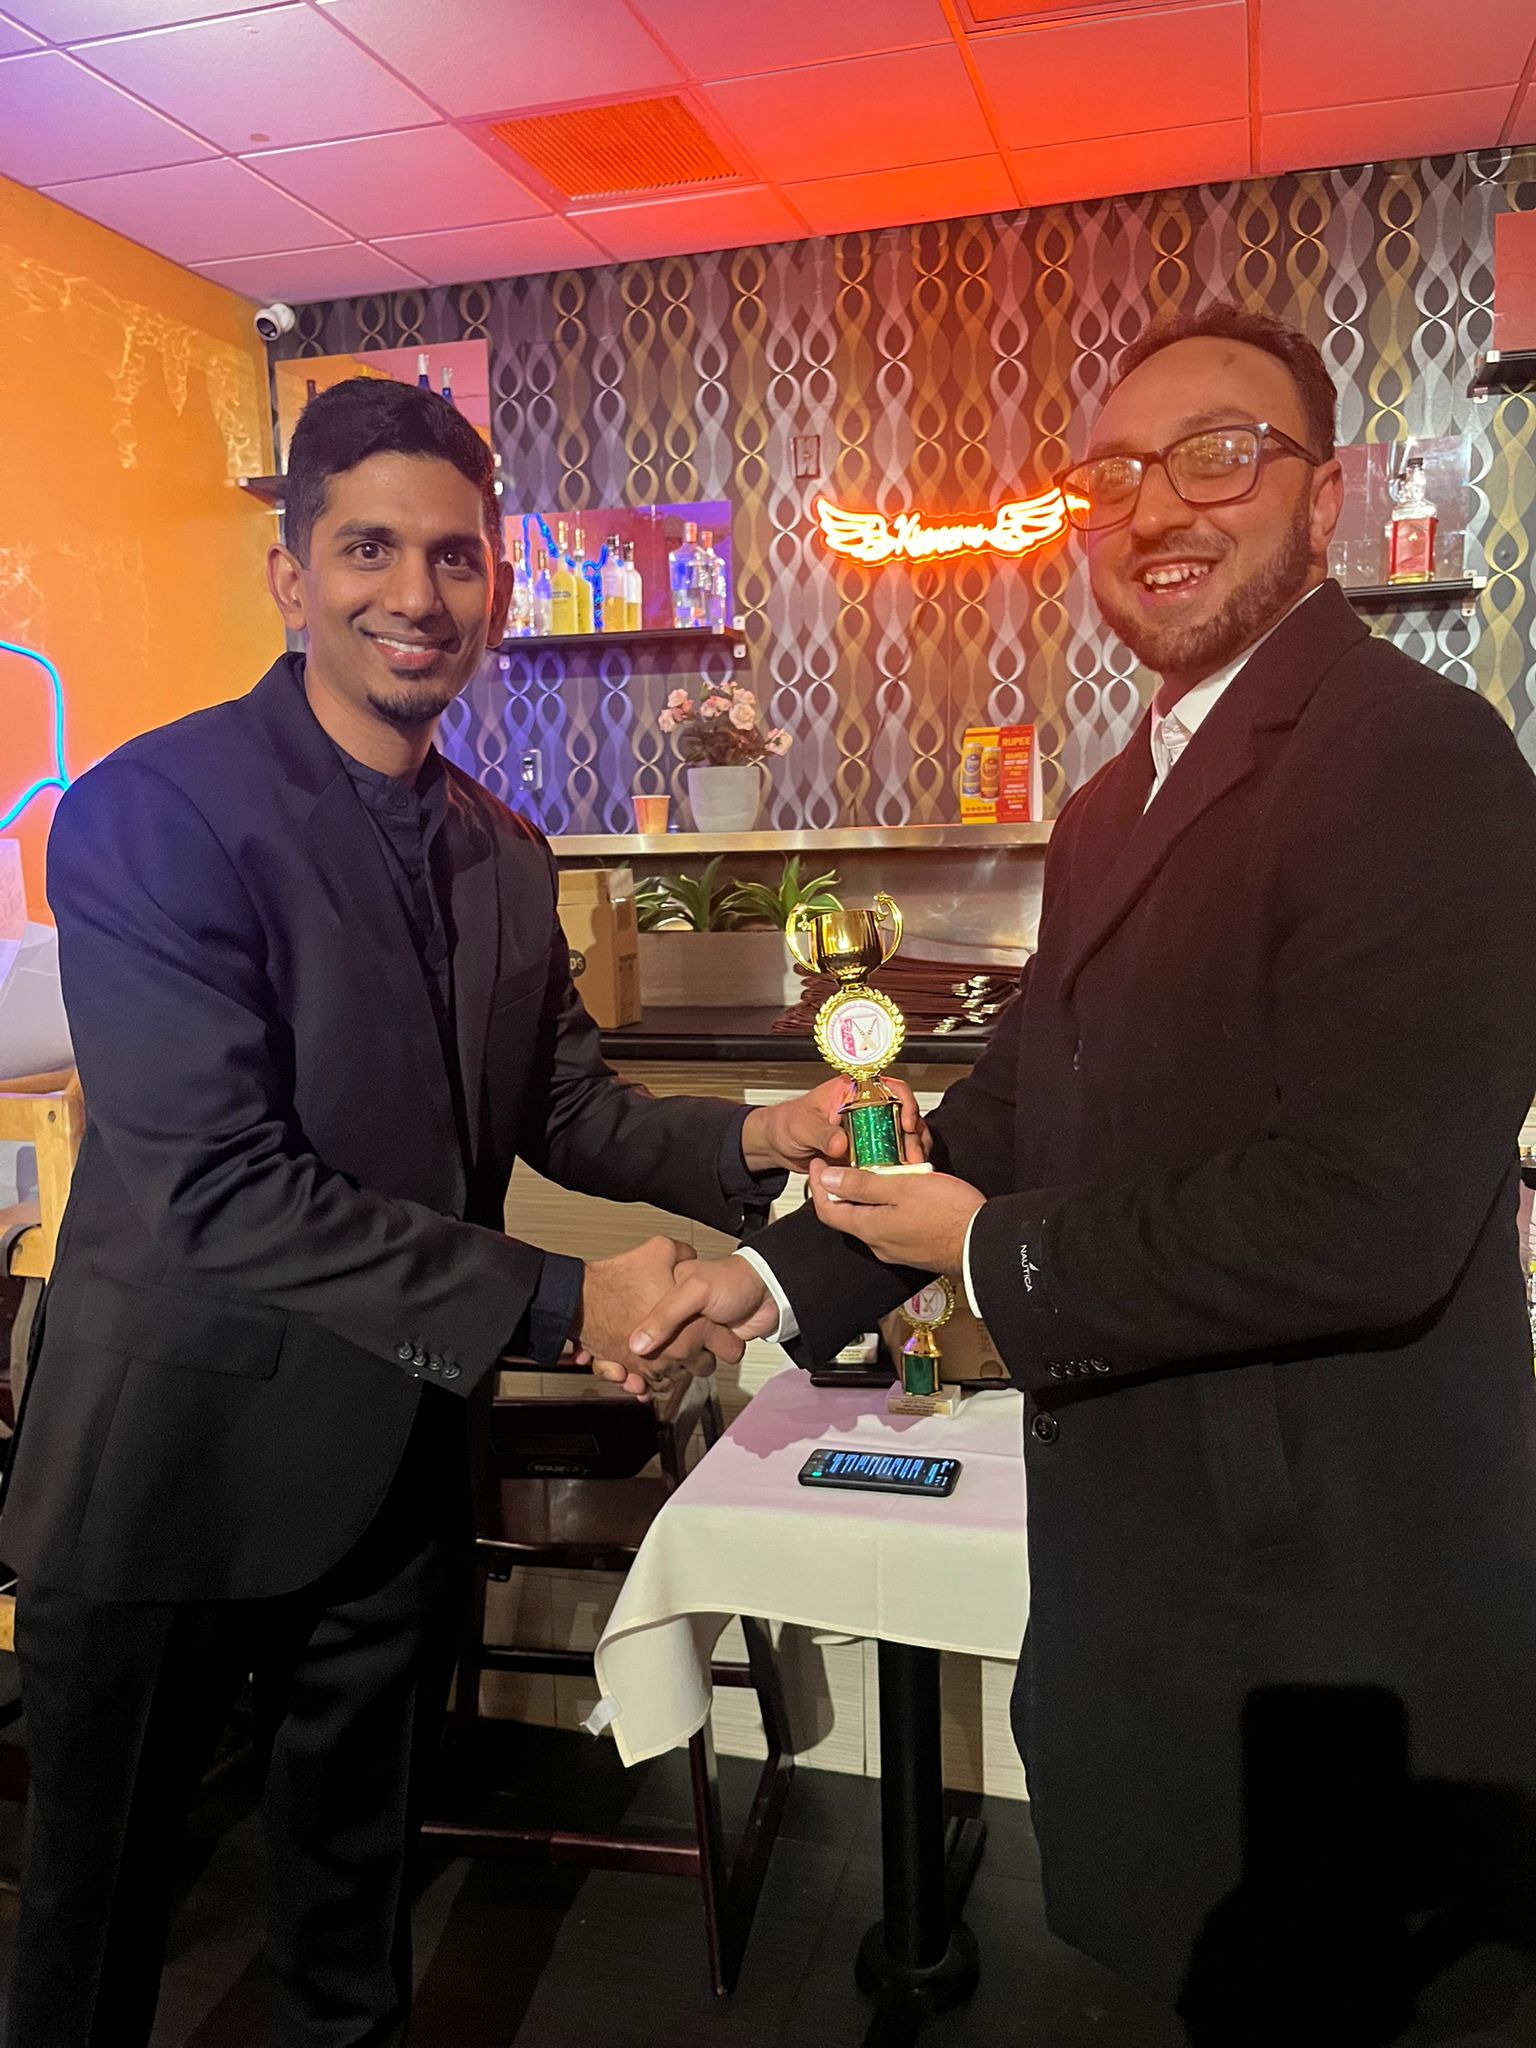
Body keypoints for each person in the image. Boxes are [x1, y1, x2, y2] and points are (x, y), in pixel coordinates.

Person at [631, 304, 1536, 2044]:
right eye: (1116, 473)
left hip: (1332, 1612)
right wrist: (757, 1282)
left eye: (1220, 456)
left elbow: (1370, 1213)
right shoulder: (1119, 800)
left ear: (1325, 497)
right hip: (1163, 1588)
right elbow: (1011, 1109)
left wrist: (994, 1256)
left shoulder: (1417, 757)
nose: (1158, 508)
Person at [0, 375, 922, 2048]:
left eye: (454, 556)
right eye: (369, 548)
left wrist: (764, 1134)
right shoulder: (157, 810)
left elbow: (565, 1106)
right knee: (96, 1928)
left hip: (395, 1462)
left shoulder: (503, 848)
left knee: (357, 1917)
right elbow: (217, 1187)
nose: (415, 595)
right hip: (169, 1475)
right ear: (291, 574)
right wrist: (569, 1305)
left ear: (495, 580)